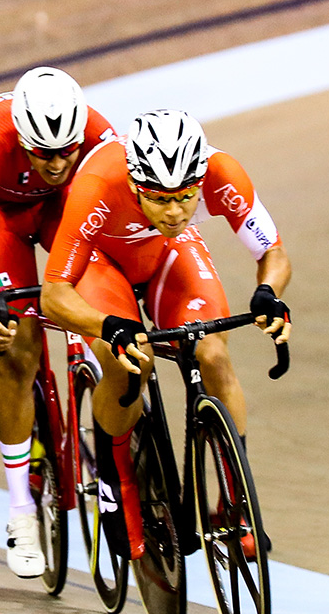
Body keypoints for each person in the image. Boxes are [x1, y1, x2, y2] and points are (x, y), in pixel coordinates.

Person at [40, 110, 292, 559]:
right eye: (159, 198)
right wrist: (107, 327)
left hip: (166, 254)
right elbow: (54, 295)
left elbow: (271, 251)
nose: (175, 211)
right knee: (129, 359)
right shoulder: (98, 182)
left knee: (212, 354)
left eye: (186, 197)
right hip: (102, 261)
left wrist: (268, 292)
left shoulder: (221, 170)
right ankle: (120, 486)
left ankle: (235, 502)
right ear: (136, 184)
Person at [0, 66, 116, 577]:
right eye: (42, 152)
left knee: (102, 297)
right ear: (23, 141)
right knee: (20, 354)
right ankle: (20, 511)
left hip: (61, 212)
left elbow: (119, 214)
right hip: (3, 219)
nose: (56, 162)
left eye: (65, 151)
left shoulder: (97, 131)